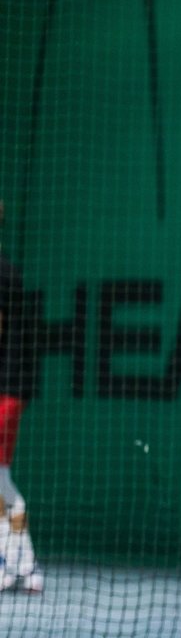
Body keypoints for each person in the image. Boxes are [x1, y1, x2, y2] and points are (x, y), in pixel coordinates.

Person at [0, 200, 41, 594]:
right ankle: (20, 565)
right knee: (0, 480)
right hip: (11, 386)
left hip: (6, 388)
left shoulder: (1, 270)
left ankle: (21, 566)